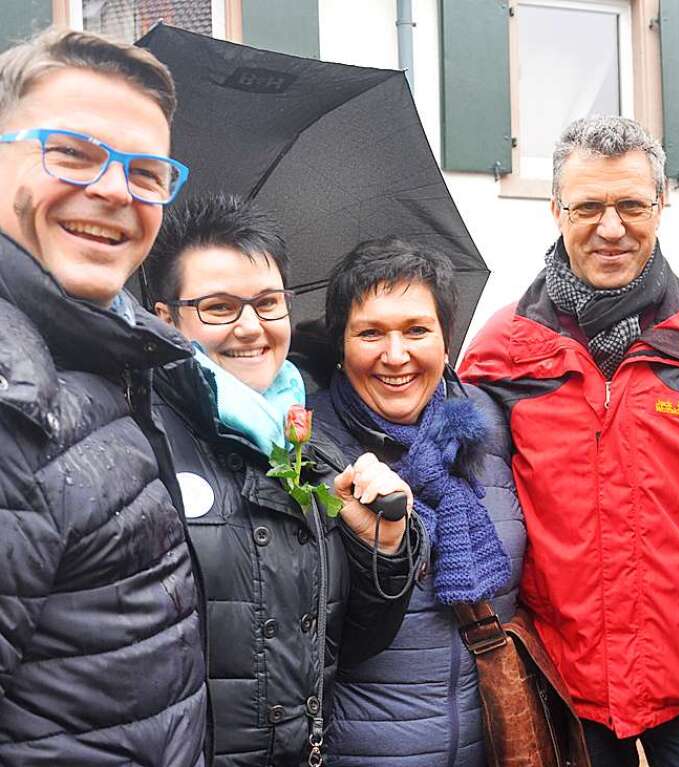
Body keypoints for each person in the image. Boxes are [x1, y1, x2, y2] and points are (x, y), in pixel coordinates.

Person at [459, 116, 679, 766]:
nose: (611, 227)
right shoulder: (500, 353)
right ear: (555, 209)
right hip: (561, 677)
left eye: (631, 204)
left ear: (661, 204)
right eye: (589, 206)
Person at [146, 193, 418, 766]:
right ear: (165, 318)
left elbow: (349, 645)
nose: (252, 328)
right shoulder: (141, 437)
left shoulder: (308, 447)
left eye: (268, 303)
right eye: (219, 307)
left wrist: (381, 548)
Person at [0, 28, 207, 765]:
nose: (116, 190)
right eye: (73, 154)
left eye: (147, 173)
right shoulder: (14, 394)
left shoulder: (109, 355)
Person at [300, 237, 526, 766]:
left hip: (492, 743)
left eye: (417, 330)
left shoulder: (491, 426)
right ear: (341, 344)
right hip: (357, 752)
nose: (395, 355)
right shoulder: (305, 446)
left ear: (447, 340)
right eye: (370, 332)